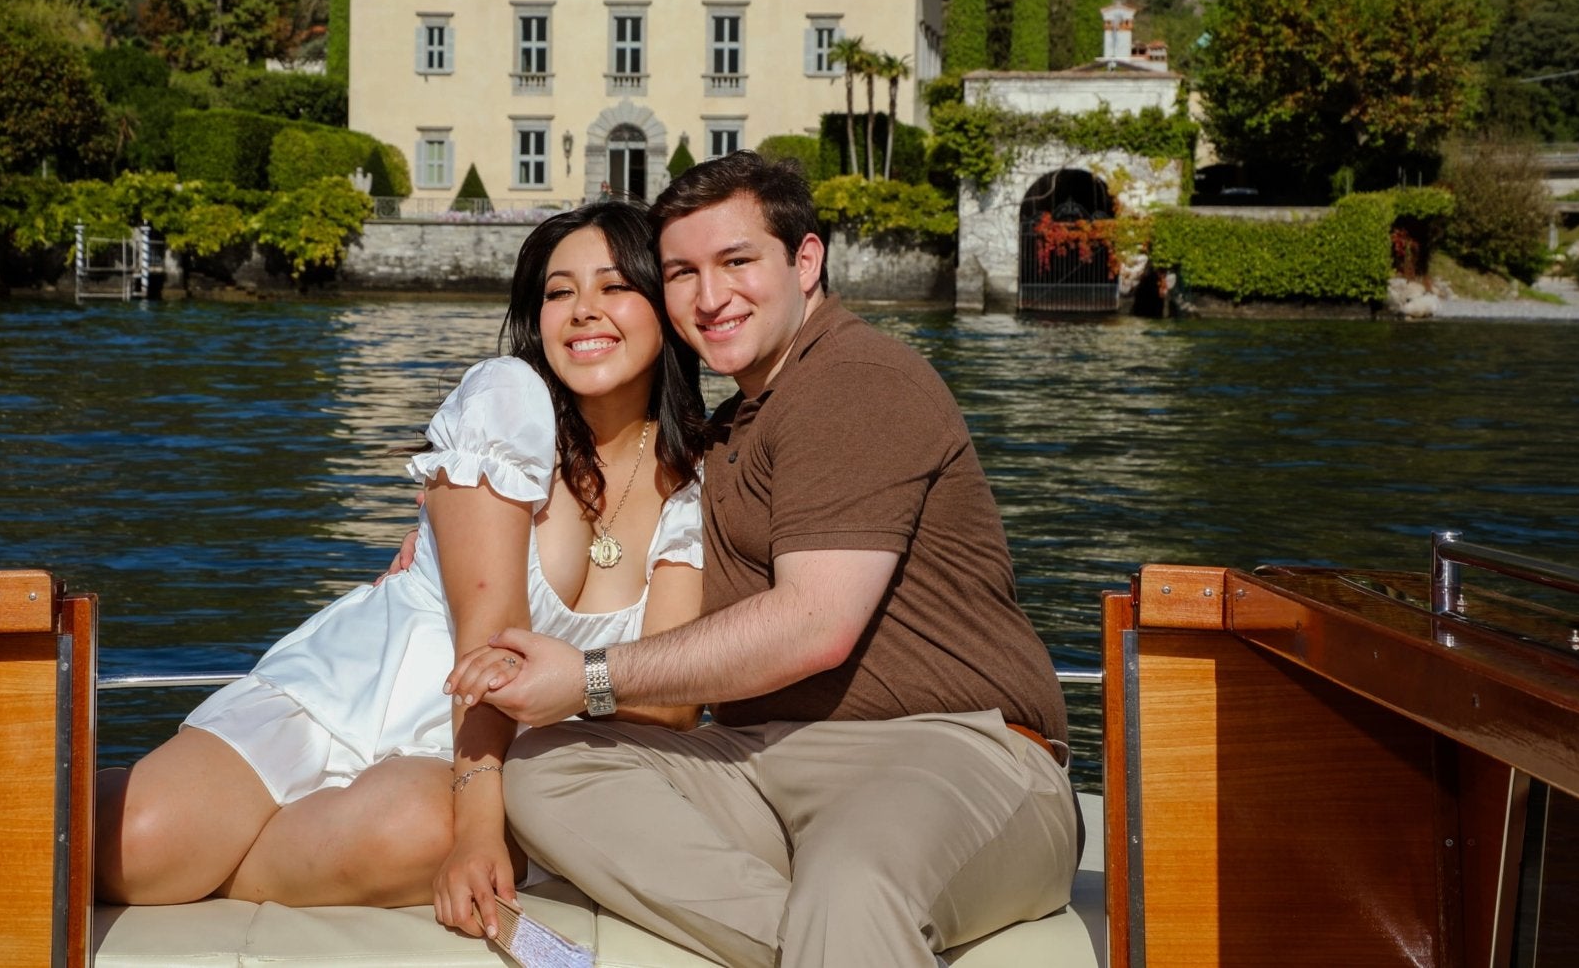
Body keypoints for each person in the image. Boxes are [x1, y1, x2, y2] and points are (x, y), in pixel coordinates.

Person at [445, 151, 1077, 968]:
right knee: (546, 769)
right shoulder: (731, 429)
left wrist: (589, 675)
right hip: (764, 762)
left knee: (852, 882)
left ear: (805, 261)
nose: (710, 297)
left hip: (954, 752)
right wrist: (440, 531)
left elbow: (815, 624)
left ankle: (844, 925)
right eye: (682, 272)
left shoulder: (858, 380)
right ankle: (834, 947)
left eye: (737, 261)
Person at [97, 200, 710, 939]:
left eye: (614, 287)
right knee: (144, 843)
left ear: (667, 306)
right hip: (353, 688)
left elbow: (672, 703)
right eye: (558, 291)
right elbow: (488, 642)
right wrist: (482, 827)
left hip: (493, 748)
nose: (583, 311)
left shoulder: (697, 485)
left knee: (414, 830)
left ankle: (224, 869)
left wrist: (478, 823)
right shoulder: (509, 403)